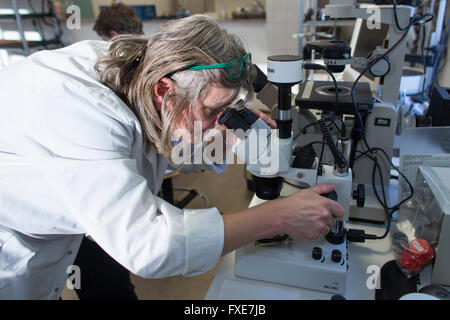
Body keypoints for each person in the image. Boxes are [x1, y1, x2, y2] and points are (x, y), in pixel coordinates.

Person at [0, 15, 345, 299]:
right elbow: (149, 245)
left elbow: (168, 141)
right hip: (13, 254)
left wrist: (230, 138)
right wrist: (277, 217)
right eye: (213, 110)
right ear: (164, 89)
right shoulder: (74, 106)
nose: (217, 121)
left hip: (66, 238)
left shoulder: (143, 72)